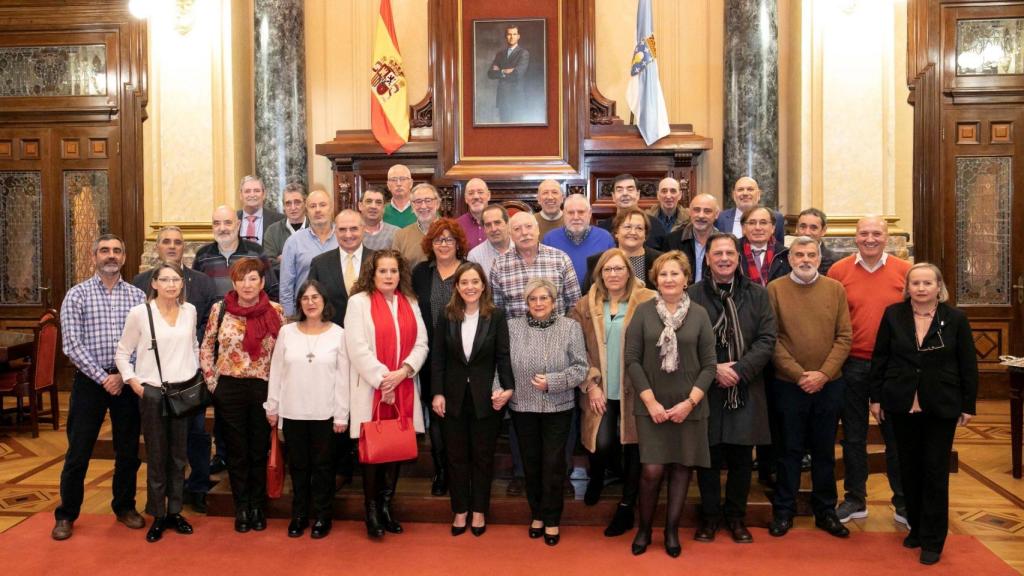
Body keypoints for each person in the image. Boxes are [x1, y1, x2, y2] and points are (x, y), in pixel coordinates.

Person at [869, 263, 977, 565]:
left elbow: (967, 363)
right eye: (915, 283)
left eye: (927, 283)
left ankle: (933, 539)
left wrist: (968, 404)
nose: (920, 288)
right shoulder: (894, 315)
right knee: (908, 469)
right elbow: (880, 357)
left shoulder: (955, 318)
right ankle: (916, 528)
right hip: (901, 402)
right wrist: (875, 398)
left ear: (938, 286)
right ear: (908, 287)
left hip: (940, 404)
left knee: (934, 472)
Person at [52, 234, 147, 541]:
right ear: (94, 256)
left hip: (126, 381)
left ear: (124, 257)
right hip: (90, 383)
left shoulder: (136, 296)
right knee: (78, 451)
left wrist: (122, 375)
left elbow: (143, 342)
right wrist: (102, 376)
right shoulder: (77, 295)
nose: (111, 255)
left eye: (117, 251)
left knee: (128, 451)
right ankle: (66, 514)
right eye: (105, 250)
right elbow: (71, 344)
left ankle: (124, 507)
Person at [625, 251, 716, 558]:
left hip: (689, 406)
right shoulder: (643, 312)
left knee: (681, 469)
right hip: (652, 405)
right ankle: (644, 528)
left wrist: (690, 403)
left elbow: (710, 366)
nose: (669, 279)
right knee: (651, 470)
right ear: (655, 279)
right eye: (663, 274)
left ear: (686, 278)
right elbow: (632, 360)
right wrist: (649, 401)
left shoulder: (701, 314)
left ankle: (672, 530)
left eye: (675, 273)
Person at [687, 233, 777, 544]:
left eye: (730, 253)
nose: (724, 258)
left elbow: (767, 340)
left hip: (746, 385)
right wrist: (713, 371)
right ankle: (710, 518)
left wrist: (738, 371)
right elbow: (686, 343)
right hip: (705, 388)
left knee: (741, 457)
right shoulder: (692, 295)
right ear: (707, 259)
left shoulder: (757, 294)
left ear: (739, 258)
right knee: (708, 457)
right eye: (717, 254)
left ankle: (736, 518)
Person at [828, 216, 912, 526]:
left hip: (892, 367)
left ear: (887, 237)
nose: (870, 238)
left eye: (876, 233)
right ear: (855, 237)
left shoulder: (904, 272)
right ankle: (854, 498)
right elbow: (832, 317)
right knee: (852, 435)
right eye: (864, 233)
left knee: (894, 436)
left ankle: (902, 502)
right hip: (852, 364)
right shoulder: (839, 271)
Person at [766, 237, 852, 539]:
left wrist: (823, 375)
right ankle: (784, 511)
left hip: (829, 385)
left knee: (824, 451)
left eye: (811, 254)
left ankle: (826, 511)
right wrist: (800, 374)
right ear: (789, 259)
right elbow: (771, 338)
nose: (805, 259)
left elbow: (844, 337)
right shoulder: (775, 289)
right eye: (799, 254)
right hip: (789, 384)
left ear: (819, 257)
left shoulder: (835, 289)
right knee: (788, 450)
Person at [345, 249, 429, 538]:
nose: (389, 276)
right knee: (373, 451)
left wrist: (404, 371)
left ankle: (385, 507)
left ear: (400, 274)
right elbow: (356, 347)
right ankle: (370, 512)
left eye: (393, 271)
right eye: (383, 271)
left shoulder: (411, 302)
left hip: (404, 384)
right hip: (371, 387)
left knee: (395, 448)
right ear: (372, 273)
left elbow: (422, 343)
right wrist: (384, 380)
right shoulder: (358, 303)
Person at [132, 226, 217, 513]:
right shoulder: (141, 281)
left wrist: (197, 368)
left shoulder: (202, 282)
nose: (172, 246)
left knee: (195, 438)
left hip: (188, 380)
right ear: (157, 247)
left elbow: (205, 326)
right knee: (158, 448)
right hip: (154, 383)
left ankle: (197, 489)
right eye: (166, 241)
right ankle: (157, 504)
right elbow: (137, 332)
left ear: (185, 248)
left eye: (177, 242)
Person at [572, 249, 656, 536]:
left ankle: (626, 506)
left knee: (633, 446)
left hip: (636, 387)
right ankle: (597, 476)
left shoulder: (647, 300)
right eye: (608, 270)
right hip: (600, 388)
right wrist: (591, 384)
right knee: (602, 442)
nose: (613, 274)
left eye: (619, 269)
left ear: (629, 272)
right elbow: (575, 349)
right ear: (600, 274)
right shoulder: (584, 305)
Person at [199, 258, 285, 533]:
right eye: (241, 278)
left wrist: (278, 393)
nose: (247, 285)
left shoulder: (276, 311)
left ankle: (259, 506)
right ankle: (242, 507)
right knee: (236, 452)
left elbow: (283, 355)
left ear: (261, 282)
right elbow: (206, 347)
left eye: (253, 279)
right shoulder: (220, 309)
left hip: (263, 389)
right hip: (229, 388)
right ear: (233, 281)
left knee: (259, 451)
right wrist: (214, 385)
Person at [116, 261, 198, 542]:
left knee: (178, 456)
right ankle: (158, 514)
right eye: (165, 280)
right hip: (152, 393)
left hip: (183, 392)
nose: (172, 285)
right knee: (157, 455)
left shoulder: (190, 311)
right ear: (154, 284)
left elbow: (194, 346)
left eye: (176, 280)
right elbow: (122, 352)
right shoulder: (140, 313)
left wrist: (194, 373)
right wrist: (135, 383)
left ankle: (175, 510)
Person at [431, 262, 515, 536]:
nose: (470, 287)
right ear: (457, 286)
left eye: (475, 282)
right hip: (452, 398)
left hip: (486, 400)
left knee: (482, 457)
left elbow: (503, 356)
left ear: (483, 286)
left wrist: (508, 388)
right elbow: (439, 358)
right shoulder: (447, 316)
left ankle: (479, 511)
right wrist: (437, 392)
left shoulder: (496, 316)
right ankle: (460, 510)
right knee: (455, 457)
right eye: (464, 282)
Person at [265, 279, 349, 539]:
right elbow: (276, 371)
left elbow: (343, 376)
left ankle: (323, 516)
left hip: (325, 413)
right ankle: (299, 515)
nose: (310, 302)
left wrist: (341, 413)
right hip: (293, 411)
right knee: (299, 467)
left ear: (324, 301)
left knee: (324, 468)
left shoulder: (339, 333)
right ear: (299, 303)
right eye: (305, 298)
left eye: (315, 297)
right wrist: (273, 407)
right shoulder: (287, 333)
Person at [508, 279, 588, 546]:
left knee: (553, 465)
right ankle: (537, 515)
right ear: (526, 302)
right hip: (522, 406)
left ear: (554, 302)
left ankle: (552, 518)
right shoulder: (512, 328)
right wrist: (500, 390)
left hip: (558, 407)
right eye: (533, 299)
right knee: (530, 464)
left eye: (544, 298)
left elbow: (580, 368)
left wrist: (553, 382)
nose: (538, 304)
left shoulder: (570, 327)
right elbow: (500, 364)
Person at [412, 218, 470, 497]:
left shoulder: (470, 271)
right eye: (438, 240)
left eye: (449, 240)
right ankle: (441, 470)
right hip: (429, 355)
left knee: (461, 415)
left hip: (464, 356)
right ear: (430, 244)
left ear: (458, 243)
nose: (443, 244)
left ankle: (462, 470)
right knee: (437, 415)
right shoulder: (421, 272)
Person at [491, 211, 581, 319]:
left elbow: (575, 304)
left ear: (538, 229)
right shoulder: (499, 265)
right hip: (516, 334)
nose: (524, 232)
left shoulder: (560, 259)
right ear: (510, 235)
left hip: (557, 333)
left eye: (529, 226)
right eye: (517, 229)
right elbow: (497, 310)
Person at [193, 205, 278, 300]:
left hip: (249, 314)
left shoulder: (256, 252)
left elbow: (272, 290)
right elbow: (195, 293)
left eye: (228, 223)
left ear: (238, 225)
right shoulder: (202, 255)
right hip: (213, 314)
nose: (222, 228)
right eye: (216, 223)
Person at [308, 210, 374, 327]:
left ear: (363, 229)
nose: (348, 235)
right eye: (342, 229)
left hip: (372, 330)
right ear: (335, 232)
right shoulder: (319, 263)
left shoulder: (377, 261)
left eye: (354, 229)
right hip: (331, 334)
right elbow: (312, 301)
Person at [279, 189, 337, 317]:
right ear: (306, 210)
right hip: (304, 315)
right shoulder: (294, 242)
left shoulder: (343, 238)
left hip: (339, 313)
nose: (317, 210)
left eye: (322, 205)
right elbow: (286, 288)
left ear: (331, 207)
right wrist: (289, 319)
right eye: (312, 206)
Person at [582, 207, 662, 292]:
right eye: (627, 227)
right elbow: (588, 296)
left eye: (639, 228)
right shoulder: (597, 262)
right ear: (616, 232)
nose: (633, 232)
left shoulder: (660, 260)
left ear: (645, 235)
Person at [542, 193, 615, 286]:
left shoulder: (605, 238)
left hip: (595, 297)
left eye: (581, 212)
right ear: (564, 214)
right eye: (571, 212)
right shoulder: (549, 239)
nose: (576, 217)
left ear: (589, 214)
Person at [596, 174, 666, 249]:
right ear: (613, 196)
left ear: (638, 194)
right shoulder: (602, 230)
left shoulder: (656, 225)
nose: (625, 193)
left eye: (630, 189)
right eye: (619, 190)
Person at [664, 193, 720, 284]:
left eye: (707, 211)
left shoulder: (723, 243)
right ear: (690, 212)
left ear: (716, 214)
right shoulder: (672, 240)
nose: (701, 215)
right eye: (696, 210)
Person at [714, 176, 784, 244]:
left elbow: (779, 250)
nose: (745, 193)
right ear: (734, 195)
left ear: (759, 194)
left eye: (750, 189)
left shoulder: (776, 218)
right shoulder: (720, 218)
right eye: (740, 190)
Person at [487, 24, 530, 123]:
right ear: (506, 36)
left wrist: (499, 70)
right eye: (509, 34)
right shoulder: (500, 54)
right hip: (503, 98)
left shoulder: (523, 53)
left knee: (517, 132)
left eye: (514, 34)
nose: (512, 37)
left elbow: (517, 74)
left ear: (518, 36)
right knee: (503, 131)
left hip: (516, 98)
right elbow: (490, 73)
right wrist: (504, 71)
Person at [737, 206, 789, 287]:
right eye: (752, 223)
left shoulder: (785, 255)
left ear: (773, 228)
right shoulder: (732, 251)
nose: (758, 228)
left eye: (763, 222)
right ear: (743, 228)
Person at [262, 182, 308, 275]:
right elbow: (268, 265)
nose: (293, 207)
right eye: (288, 203)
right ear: (283, 206)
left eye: (297, 202)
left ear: (305, 203)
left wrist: (285, 260)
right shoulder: (272, 231)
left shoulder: (315, 228)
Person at [392, 182, 440, 267]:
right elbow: (396, 269)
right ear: (412, 206)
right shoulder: (401, 236)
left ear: (437, 203)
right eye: (418, 201)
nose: (423, 206)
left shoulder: (450, 231)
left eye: (428, 201)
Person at [467, 204, 514, 278]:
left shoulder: (522, 249)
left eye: (497, 223)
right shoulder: (475, 257)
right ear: (484, 229)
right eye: (488, 225)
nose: (493, 229)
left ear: (507, 223)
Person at [237, 175, 284, 245]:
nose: (252, 195)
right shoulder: (232, 219)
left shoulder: (279, 220)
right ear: (241, 195)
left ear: (264, 194)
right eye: (247, 191)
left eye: (256, 191)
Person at [795, 208, 837, 274]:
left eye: (813, 228)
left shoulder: (835, 262)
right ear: (797, 228)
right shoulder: (784, 258)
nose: (807, 233)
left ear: (823, 231)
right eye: (803, 227)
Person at [359, 186, 400, 251]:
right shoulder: (350, 232)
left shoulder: (396, 233)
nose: (373, 206)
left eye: (378, 202)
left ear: (384, 208)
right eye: (369, 201)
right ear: (360, 206)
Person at [455, 178, 490, 250]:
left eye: (480, 192)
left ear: (488, 195)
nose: (476, 197)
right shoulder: (456, 225)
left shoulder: (501, 222)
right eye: (471, 193)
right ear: (465, 198)